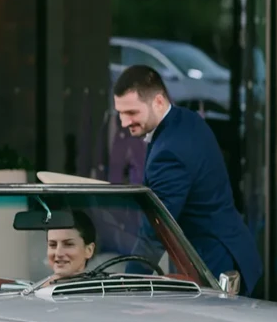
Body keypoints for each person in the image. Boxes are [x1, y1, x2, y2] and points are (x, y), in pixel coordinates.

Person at [113, 63, 263, 294]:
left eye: (132, 112)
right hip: (228, 252)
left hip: (214, 267)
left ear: (159, 102)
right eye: (120, 113)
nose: (124, 123)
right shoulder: (187, 120)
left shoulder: (169, 153)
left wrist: (125, 286)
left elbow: (156, 231)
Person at [44, 211, 98, 281]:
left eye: (68, 244)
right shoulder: (34, 290)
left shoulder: (102, 290)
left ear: (89, 250)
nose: (58, 253)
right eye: (53, 245)